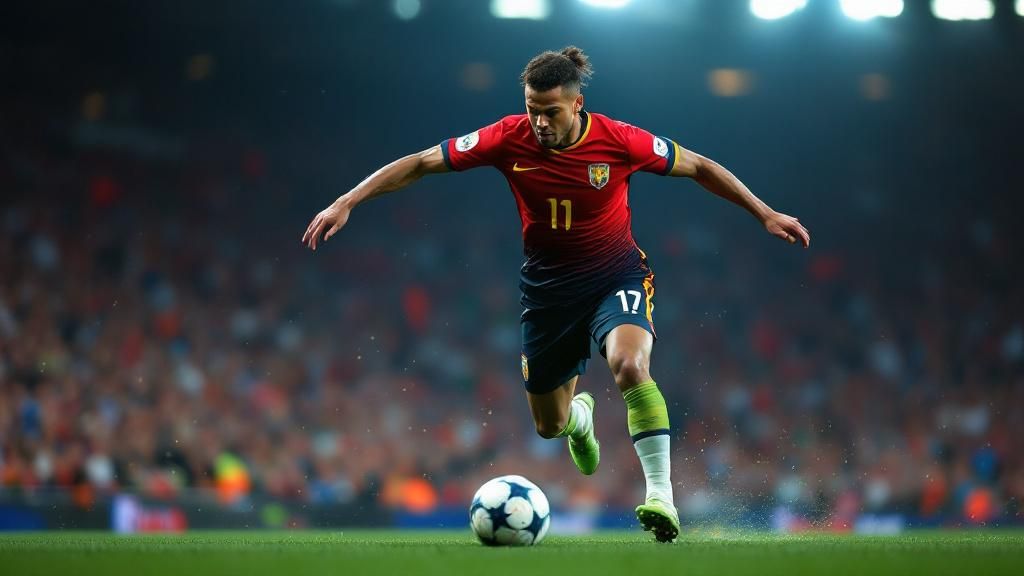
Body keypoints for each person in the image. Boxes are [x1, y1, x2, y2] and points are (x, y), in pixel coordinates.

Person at [302, 46, 810, 542]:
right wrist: (348, 201)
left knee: (630, 365)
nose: (540, 122)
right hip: (547, 294)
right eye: (532, 109)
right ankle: (579, 419)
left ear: (576, 104)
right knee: (551, 426)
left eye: (550, 112)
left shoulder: (619, 140)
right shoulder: (507, 137)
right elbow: (420, 162)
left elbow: (699, 166)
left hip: (616, 277)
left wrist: (764, 213)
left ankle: (661, 496)